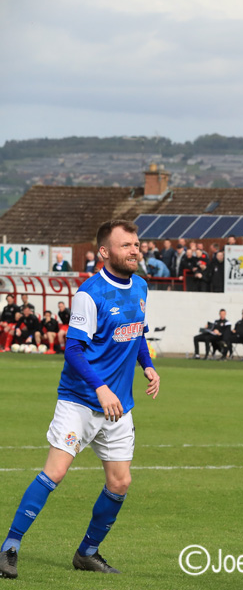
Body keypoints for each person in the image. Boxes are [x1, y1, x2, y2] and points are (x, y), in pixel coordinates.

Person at [0, 220, 160, 579]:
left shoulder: (141, 287)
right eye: (126, 245)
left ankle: (87, 553)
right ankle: (9, 548)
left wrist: (147, 366)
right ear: (104, 252)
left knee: (120, 483)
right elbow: (73, 350)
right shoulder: (90, 293)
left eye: (137, 244)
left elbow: (136, 334)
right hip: (80, 401)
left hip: (119, 407)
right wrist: (101, 387)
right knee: (54, 473)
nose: (135, 250)